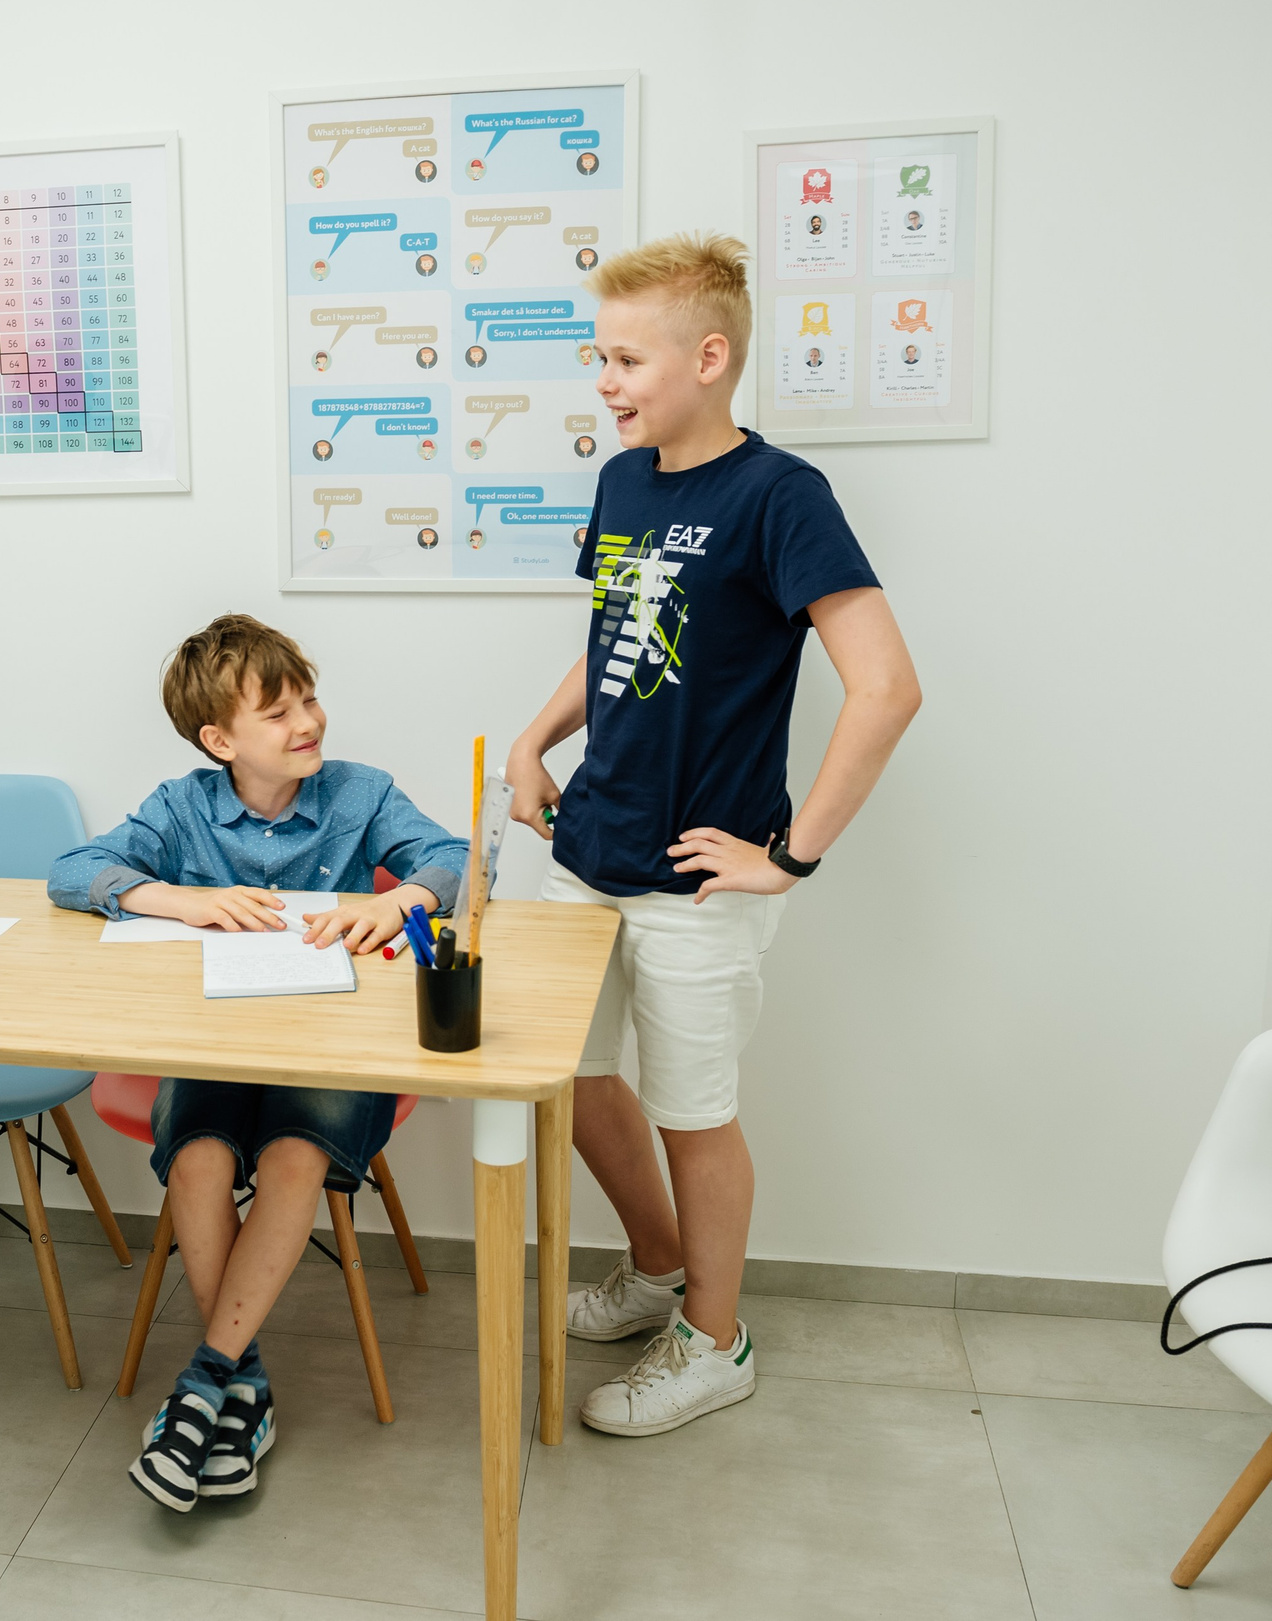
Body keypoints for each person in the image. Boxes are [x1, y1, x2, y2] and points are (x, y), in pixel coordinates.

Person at [505, 232, 920, 1438]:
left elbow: (886, 686)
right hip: (590, 842)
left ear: (709, 356)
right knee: (573, 1086)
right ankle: (655, 1266)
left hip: (699, 876)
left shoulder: (780, 495)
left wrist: (787, 855)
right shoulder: (623, 480)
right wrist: (535, 742)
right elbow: (612, 638)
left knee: (693, 1109)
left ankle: (714, 1334)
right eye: (600, 354)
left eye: (625, 357)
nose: (605, 380)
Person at [48, 616, 466, 1511]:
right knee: (198, 1161)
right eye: (278, 712)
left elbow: (451, 858)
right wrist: (180, 901)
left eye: (308, 698)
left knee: (289, 1159)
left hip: (329, 1049)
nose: (307, 721)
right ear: (220, 740)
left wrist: (404, 905)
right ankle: (246, 1388)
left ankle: (205, 1382)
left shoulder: (361, 792)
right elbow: (73, 871)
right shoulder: (182, 806)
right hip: (216, 1042)